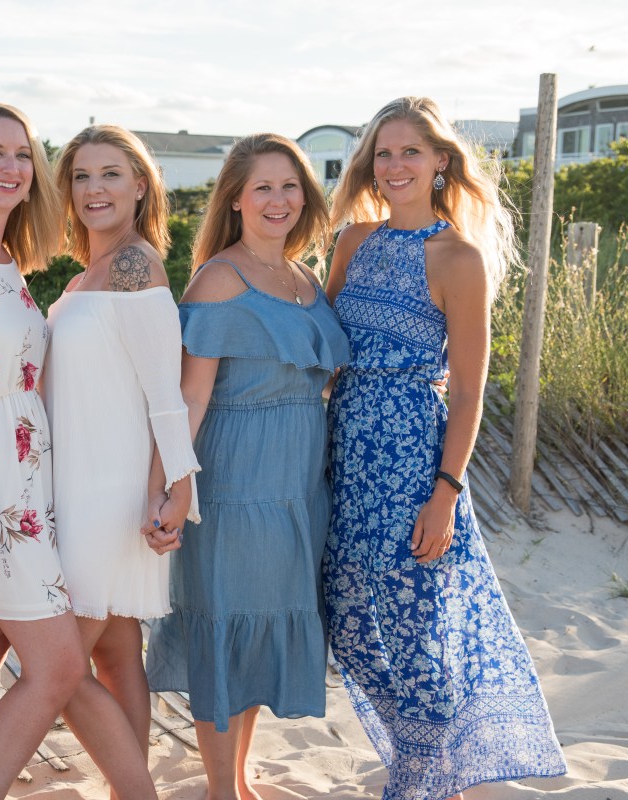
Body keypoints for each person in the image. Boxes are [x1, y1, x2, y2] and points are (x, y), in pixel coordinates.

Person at [0, 104, 157, 800]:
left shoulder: (4, 259)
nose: (12, 166)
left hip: (28, 471)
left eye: (23, 154)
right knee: (57, 668)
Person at [324, 96, 566, 800]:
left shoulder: (458, 258)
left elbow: (466, 392)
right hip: (344, 456)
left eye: (410, 151)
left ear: (439, 162)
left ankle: (424, 781)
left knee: (416, 630)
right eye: (383, 153)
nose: (394, 164)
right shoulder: (351, 242)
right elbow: (325, 354)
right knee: (349, 624)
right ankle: (431, 768)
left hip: (412, 461)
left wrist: (446, 494)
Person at [145, 133, 350, 800]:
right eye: (262, 187)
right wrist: (174, 487)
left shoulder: (304, 277)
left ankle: (234, 775)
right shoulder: (218, 278)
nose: (277, 199)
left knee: (262, 628)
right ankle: (221, 789)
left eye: (289, 186)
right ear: (235, 199)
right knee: (229, 628)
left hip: (298, 487)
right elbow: (190, 397)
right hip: (236, 484)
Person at [46, 124, 200, 775]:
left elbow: (166, 393)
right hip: (77, 487)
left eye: (110, 173)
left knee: (54, 670)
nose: (94, 188)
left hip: (110, 497)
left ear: (140, 185)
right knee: (113, 654)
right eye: (82, 176)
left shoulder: (135, 265)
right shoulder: (85, 278)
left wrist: (178, 489)